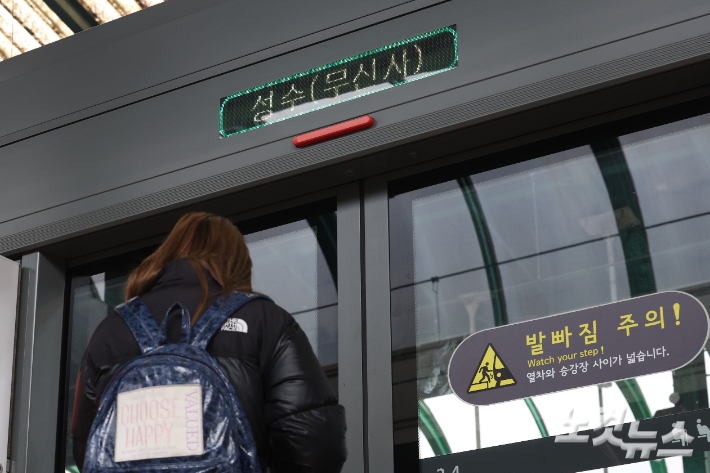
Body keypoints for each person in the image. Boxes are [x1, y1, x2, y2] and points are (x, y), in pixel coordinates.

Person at [71, 212, 347, 472]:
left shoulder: (109, 331)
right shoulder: (264, 320)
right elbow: (313, 442)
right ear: (237, 263)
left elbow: (88, 448)